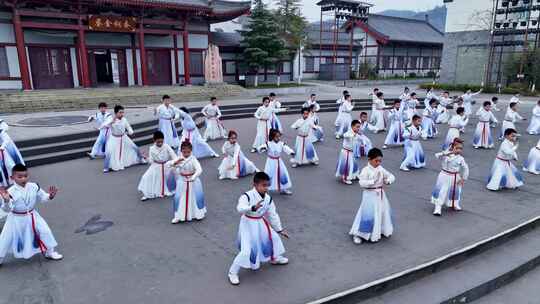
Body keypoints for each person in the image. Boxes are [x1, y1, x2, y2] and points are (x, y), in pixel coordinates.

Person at [227, 172, 289, 285]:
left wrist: (279, 229)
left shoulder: (268, 199)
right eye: (263, 185)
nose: (266, 188)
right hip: (247, 224)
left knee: (273, 238)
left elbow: (273, 214)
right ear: (255, 184)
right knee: (246, 250)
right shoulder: (247, 196)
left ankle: (274, 258)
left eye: (267, 185)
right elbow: (239, 208)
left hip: (260, 222)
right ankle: (232, 272)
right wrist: (252, 207)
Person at [0, 164, 63, 264]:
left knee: (45, 230)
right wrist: (6, 200)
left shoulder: (34, 186)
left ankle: (49, 252)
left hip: (33, 215)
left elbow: (43, 197)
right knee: (6, 238)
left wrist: (50, 196)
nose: (23, 179)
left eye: (26, 176)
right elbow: (7, 209)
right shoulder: (10, 192)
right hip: (16, 218)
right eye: (19, 177)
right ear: (12, 178)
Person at [349, 148, 395, 244]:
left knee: (381, 213)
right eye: (376, 160)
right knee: (367, 215)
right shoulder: (365, 170)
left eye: (380, 161)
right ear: (369, 159)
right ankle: (359, 234)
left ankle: (379, 230)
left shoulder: (380, 169)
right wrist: (372, 181)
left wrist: (388, 180)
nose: (378, 163)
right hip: (369, 195)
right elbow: (361, 183)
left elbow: (391, 176)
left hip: (380, 195)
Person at [169, 141, 206, 223]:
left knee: (195, 197)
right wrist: (174, 163)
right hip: (182, 181)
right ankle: (178, 215)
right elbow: (170, 165)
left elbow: (199, 169)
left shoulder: (193, 159)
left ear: (191, 151)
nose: (186, 153)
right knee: (179, 198)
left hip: (193, 181)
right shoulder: (179, 158)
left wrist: (193, 177)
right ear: (181, 151)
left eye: (188, 152)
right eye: (184, 152)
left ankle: (197, 214)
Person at [431, 138, 469, 216]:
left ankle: (454, 203)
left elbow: (466, 168)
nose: (459, 150)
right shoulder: (445, 154)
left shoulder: (461, 158)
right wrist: (450, 152)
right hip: (444, 175)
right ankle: (438, 207)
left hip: (455, 176)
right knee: (442, 191)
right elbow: (436, 155)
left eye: (461, 148)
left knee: (456, 191)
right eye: (457, 148)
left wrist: (463, 179)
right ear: (452, 147)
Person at [102, 105, 145, 172]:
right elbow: (103, 126)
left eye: (122, 112)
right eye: (120, 112)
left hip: (124, 137)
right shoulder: (111, 119)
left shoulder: (124, 119)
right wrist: (111, 122)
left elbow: (128, 127)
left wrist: (131, 132)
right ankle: (106, 167)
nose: (122, 114)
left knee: (134, 147)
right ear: (116, 113)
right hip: (114, 138)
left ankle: (141, 159)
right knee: (109, 152)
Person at [137, 131, 177, 201]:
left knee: (174, 175)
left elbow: (173, 156)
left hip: (166, 165)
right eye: (158, 142)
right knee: (146, 177)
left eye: (161, 141)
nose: (160, 143)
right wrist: (146, 157)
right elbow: (151, 161)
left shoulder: (166, 146)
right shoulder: (151, 148)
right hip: (156, 166)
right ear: (154, 141)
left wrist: (175, 162)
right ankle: (147, 194)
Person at [264, 129, 294, 195]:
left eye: (279, 136)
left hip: (279, 161)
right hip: (270, 162)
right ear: (272, 137)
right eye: (276, 137)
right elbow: (264, 147)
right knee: (269, 174)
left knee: (283, 174)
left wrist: (291, 152)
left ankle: (283, 189)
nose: (278, 138)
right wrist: (262, 148)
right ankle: (264, 189)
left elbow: (286, 148)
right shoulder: (268, 143)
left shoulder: (281, 143)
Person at [336, 120, 362, 184]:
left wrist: (362, 141)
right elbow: (345, 135)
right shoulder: (349, 133)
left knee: (354, 164)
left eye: (359, 127)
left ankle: (354, 174)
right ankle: (345, 178)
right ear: (352, 126)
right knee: (347, 165)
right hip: (346, 152)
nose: (358, 128)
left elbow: (360, 139)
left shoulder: (356, 134)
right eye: (357, 127)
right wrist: (352, 135)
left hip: (351, 152)